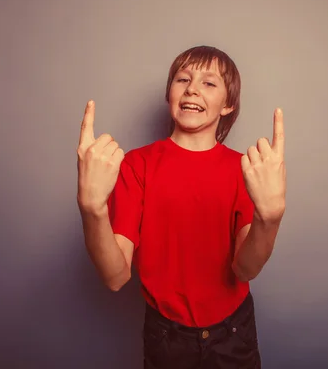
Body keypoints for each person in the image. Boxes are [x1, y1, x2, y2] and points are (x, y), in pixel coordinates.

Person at [76, 46, 286, 369]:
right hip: (166, 337)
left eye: (209, 83)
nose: (191, 88)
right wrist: (92, 209)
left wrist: (268, 219)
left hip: (233, 332)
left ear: (228, 104)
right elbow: (115, 275)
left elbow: (245, 269)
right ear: (169, 94)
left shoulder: (245, 170)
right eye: (182, 79)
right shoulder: (137, 165)